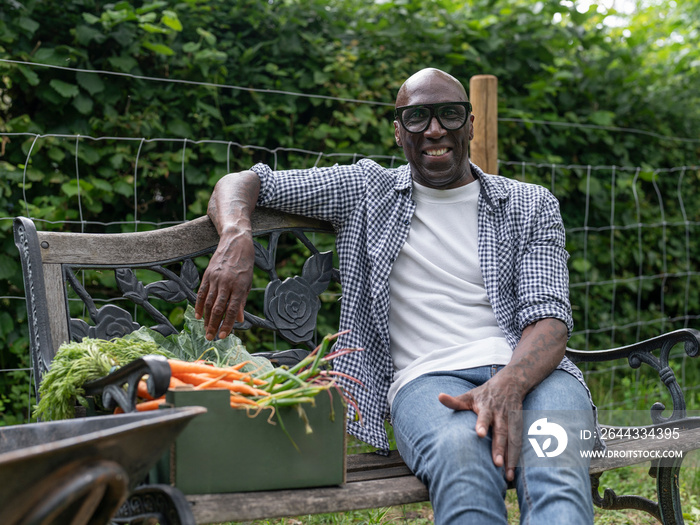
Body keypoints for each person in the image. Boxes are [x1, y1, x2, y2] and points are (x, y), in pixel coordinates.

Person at [194, 68, 598, 524]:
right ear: (397, 131)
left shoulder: (529, 203)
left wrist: (507, 386)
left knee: (557, 474)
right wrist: (235, 233)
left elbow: (550, 320)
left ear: (470, 124)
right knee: (462, 464)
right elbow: (243, 183)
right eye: (417, 117)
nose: (434, 129)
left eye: (449, 114)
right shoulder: (365, 191)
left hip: (537, 374)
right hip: (428, 382)